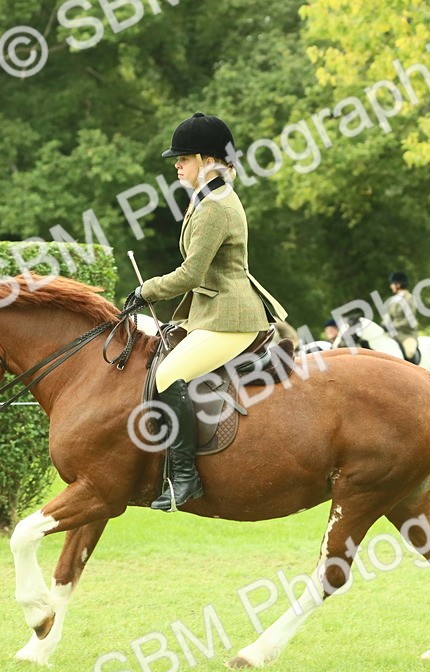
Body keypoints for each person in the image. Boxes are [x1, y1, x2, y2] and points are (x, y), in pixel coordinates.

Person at [123, 112, 287, 511]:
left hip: (230, 318)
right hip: (213, 312)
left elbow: (191, 273)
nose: (177, 166)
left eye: (183, 158)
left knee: (168, 374)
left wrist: (145, 290)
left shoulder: (215, 205)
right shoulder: (208, 198)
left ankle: (185, 478)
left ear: (207, 160)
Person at [384, 272, 418, 361]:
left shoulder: (409, 298)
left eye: (392, 284)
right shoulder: (392, 300)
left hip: (406, 334)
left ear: (398, 285)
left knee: (410, 353)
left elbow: (409, 320)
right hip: (392, 334)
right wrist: (383, 324)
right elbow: (388, 316)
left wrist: (392, 326)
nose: (390, 286)